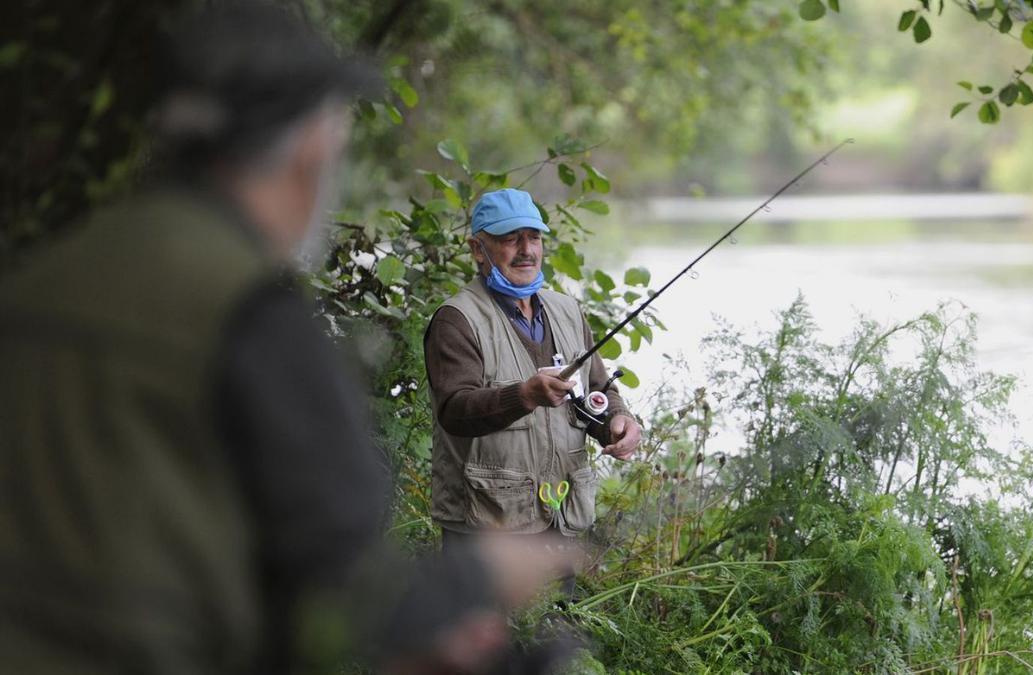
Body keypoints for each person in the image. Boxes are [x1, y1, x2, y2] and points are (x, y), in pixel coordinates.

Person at [0, 4, 568, 674]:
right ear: (308, 150)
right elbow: (356, 591)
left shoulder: (39, 278)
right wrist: (481, 574)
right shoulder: (246, 312)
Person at [424, 188, 642, 570]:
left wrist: (617, 422)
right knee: (487, 629)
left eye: (534, 237)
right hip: (485, 525)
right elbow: (454, 411)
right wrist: (523, 395)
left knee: (559, 626)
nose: (526, 249)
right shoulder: (456, 320)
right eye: (511, 238)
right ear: (478, 249)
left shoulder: (567, 310)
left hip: (560, 518)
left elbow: (599, 389)